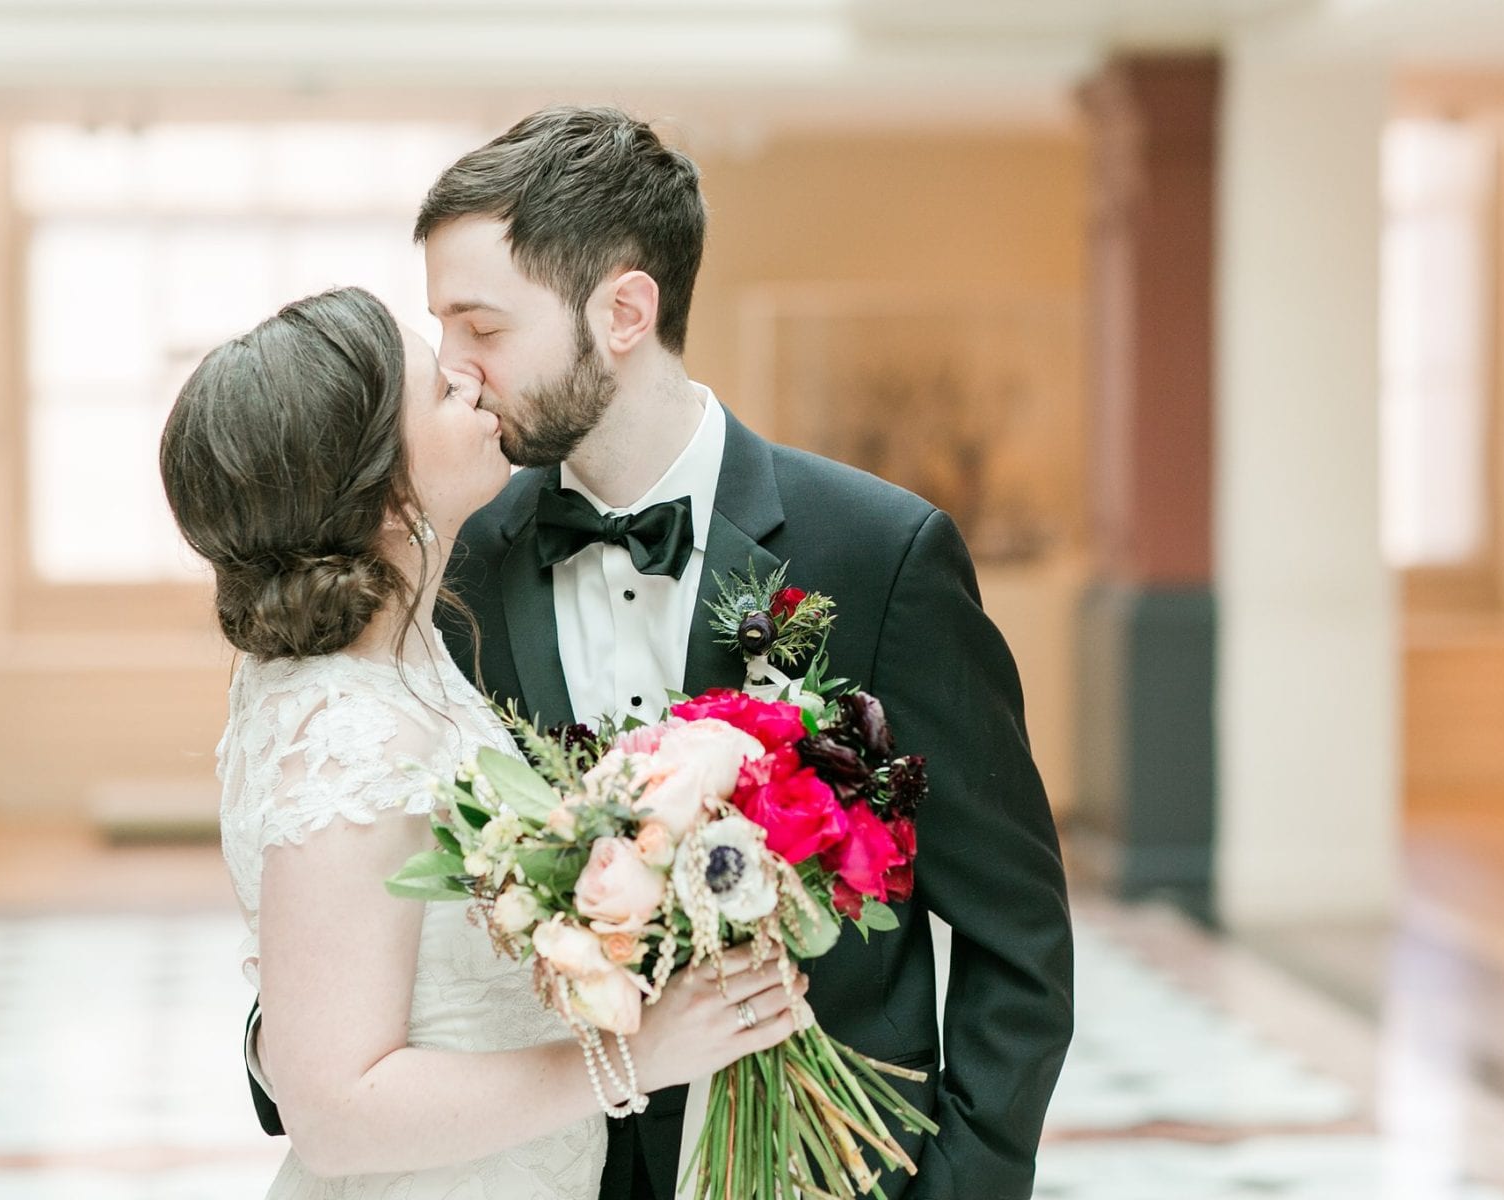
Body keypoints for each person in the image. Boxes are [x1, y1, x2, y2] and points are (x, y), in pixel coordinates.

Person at [416, 106, 1074, 1200]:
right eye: (442, 331)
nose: (457, 371)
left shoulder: (881, 552)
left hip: (828, 1168)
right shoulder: (465, 564)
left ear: (625, 310)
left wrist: (962, 1184)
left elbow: (1019, 934)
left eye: (481, 328)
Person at [161, 286, 809, 1200]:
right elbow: (336, 1113)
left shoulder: (405, 652)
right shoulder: (347, 736)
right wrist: (635, 1055)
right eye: (437, 388)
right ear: (383, 492)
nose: (469, 380)